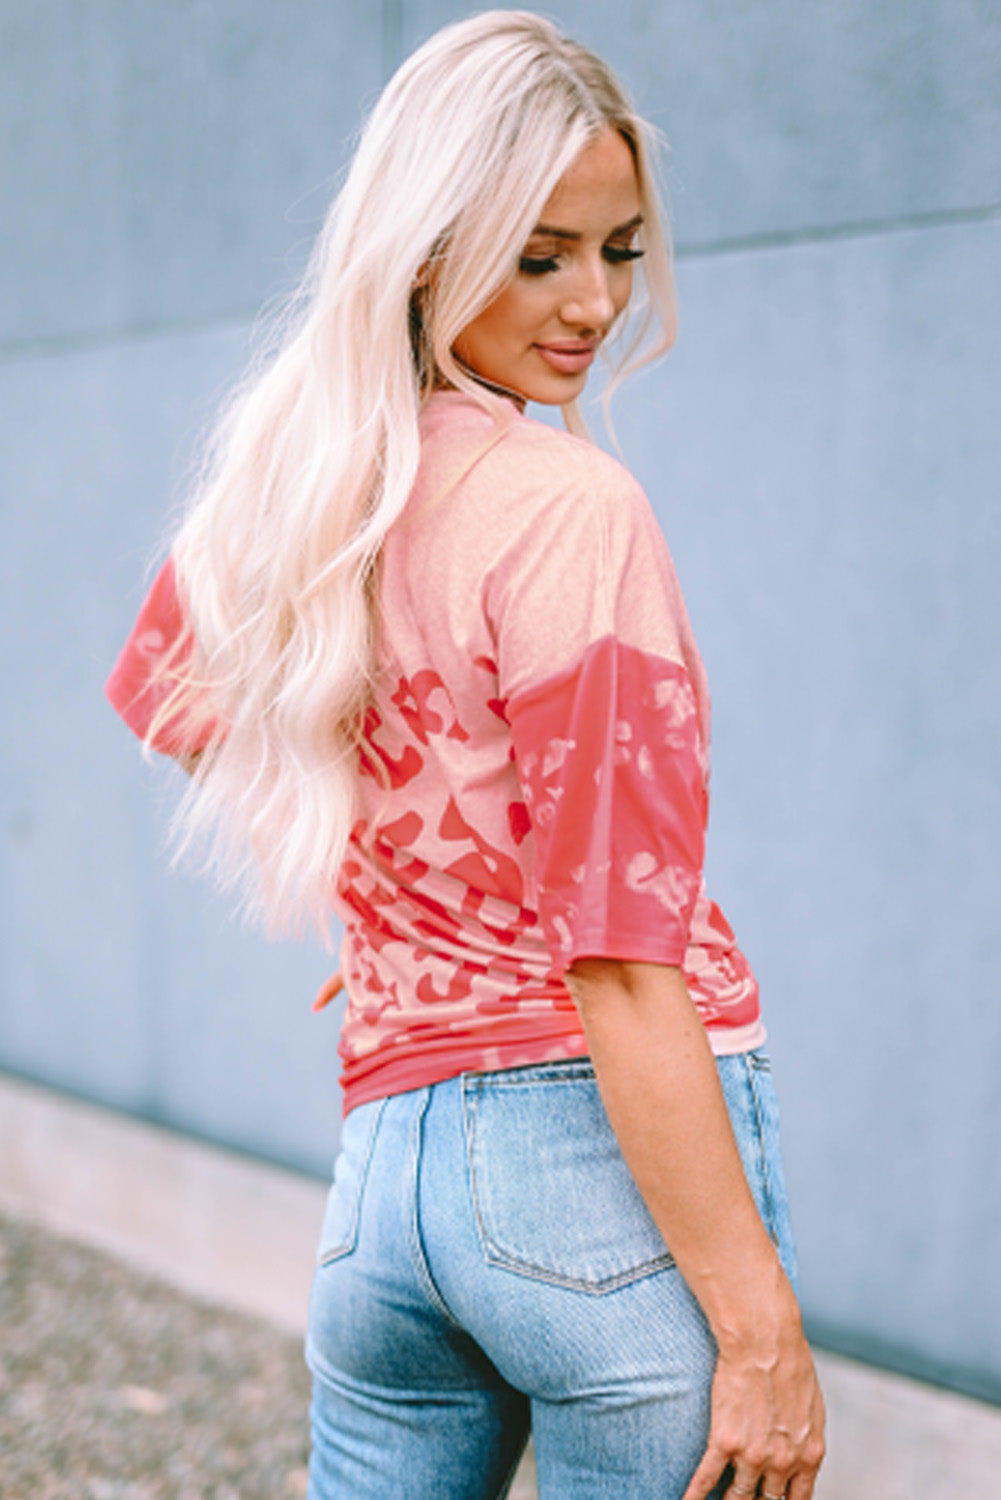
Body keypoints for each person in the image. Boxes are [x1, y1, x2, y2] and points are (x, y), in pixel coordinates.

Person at [105, 11, 825, 1499]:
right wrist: (760, 1335)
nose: (592, 303)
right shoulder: (567, 506)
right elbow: (620, 962)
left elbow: (171, 704)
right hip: (596, 1198)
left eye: (619, 250)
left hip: (388, 1198)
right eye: (538, 251)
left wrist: (393, 890)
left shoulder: (291, 485)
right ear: (429, 246)